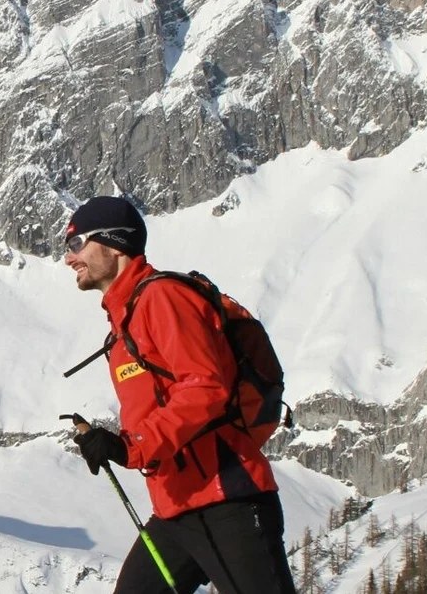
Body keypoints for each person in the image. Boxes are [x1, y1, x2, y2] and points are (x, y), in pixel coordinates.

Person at [61, 196, 297, 594]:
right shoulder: (122, 325)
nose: (69, 258)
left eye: (75, 244)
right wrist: (108, 441)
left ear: (113, 242)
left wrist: (130, 446)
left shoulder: (162, 297)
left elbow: (205, 388)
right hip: (177, 510)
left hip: (227, 502)